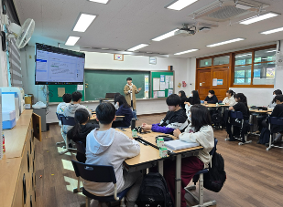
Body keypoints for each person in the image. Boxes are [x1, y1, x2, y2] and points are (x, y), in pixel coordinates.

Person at [83, 102, 142, 207]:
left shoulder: (89, 136)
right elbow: (136, 150)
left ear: (96, 118)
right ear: (114, 118)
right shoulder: (118, 137)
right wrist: (133, 141)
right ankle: (130, 203)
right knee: (139, 176)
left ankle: (98, 201)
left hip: (89, 184)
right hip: (110, 188)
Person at [164, 104, 214, 207]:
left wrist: (180, 135)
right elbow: (185, 137)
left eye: (191, 113)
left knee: (172, 174)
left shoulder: (207, 129)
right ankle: (167, 195)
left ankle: (179, 203)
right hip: (186, 154)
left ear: (198, 116)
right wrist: (180, 136)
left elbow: (194, 137)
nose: (189, 115)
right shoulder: (192, 125)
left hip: (199, 159)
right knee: (163, 164)